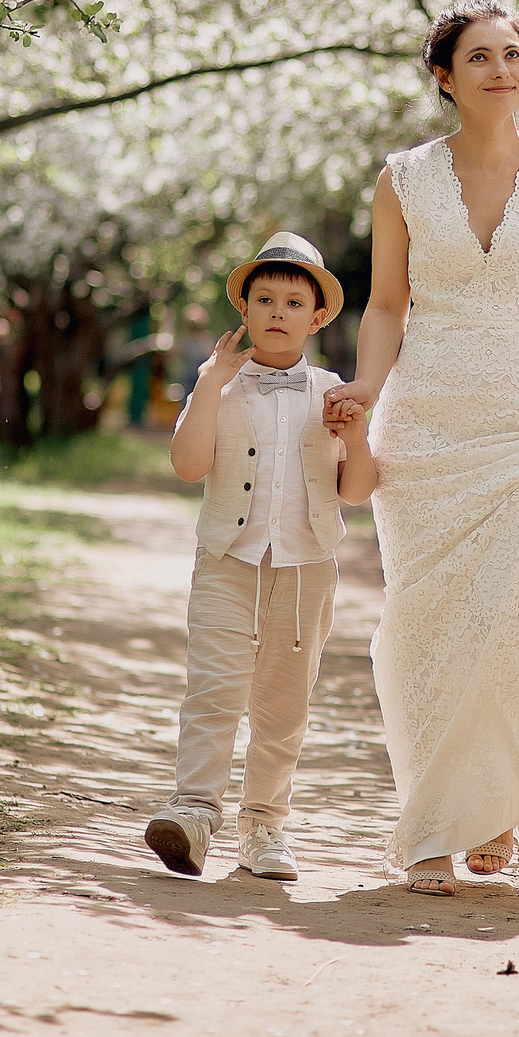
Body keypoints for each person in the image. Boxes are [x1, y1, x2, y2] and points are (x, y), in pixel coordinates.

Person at [324, 0, 519, 897]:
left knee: (513, 621)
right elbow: (383, 306)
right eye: (482, 57)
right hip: (425, 427)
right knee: (424, 625)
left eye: (515, 53)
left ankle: (496, 811)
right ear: (446, 78)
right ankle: (427, 825)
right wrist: (368, 394)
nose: (503, 69)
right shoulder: (403, 179)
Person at [144, 232, 377, 883]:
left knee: (282, 703)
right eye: (264, 298)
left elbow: (356, 490)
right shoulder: (220, 387)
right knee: (214, 686)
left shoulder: (332, 392)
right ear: (243, 310)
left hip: (306, 568)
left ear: (317, 316)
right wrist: (211, 383)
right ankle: (192, 812)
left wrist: (354, 434)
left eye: (293, 301)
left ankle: (266, 824)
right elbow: (189, 464)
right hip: (227, 557)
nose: (278, 311)